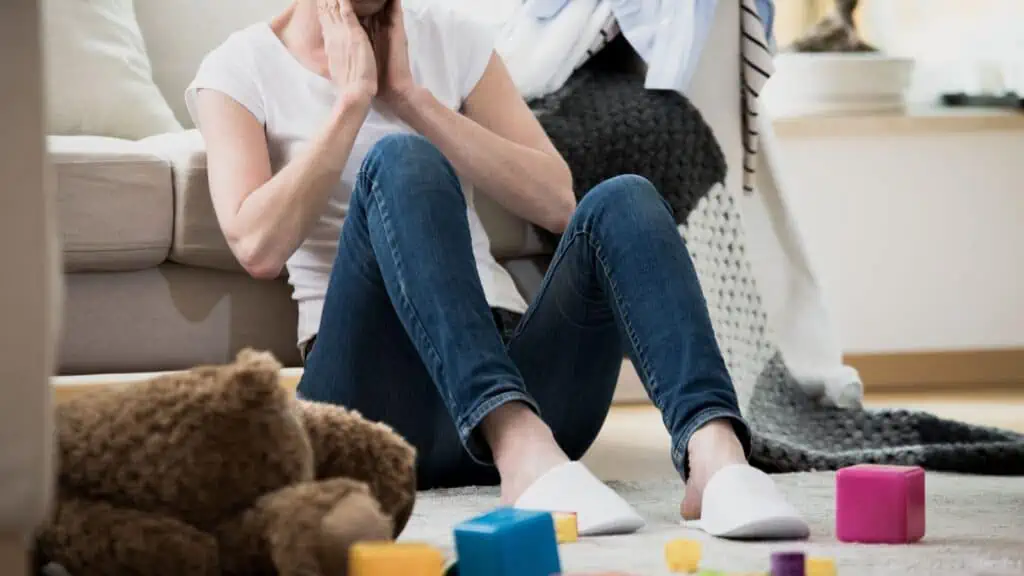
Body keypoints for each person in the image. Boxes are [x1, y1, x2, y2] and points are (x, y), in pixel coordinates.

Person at [187, 0, 803, 536]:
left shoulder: (450, 38)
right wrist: (352, 104)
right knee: (401, 160)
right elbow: (256, 244)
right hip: (370, 404)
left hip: (519, 371)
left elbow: (558, 199)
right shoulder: (238, 68)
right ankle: (517, 446)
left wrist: (412, 99)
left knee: (624, 197)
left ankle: (715, 455)